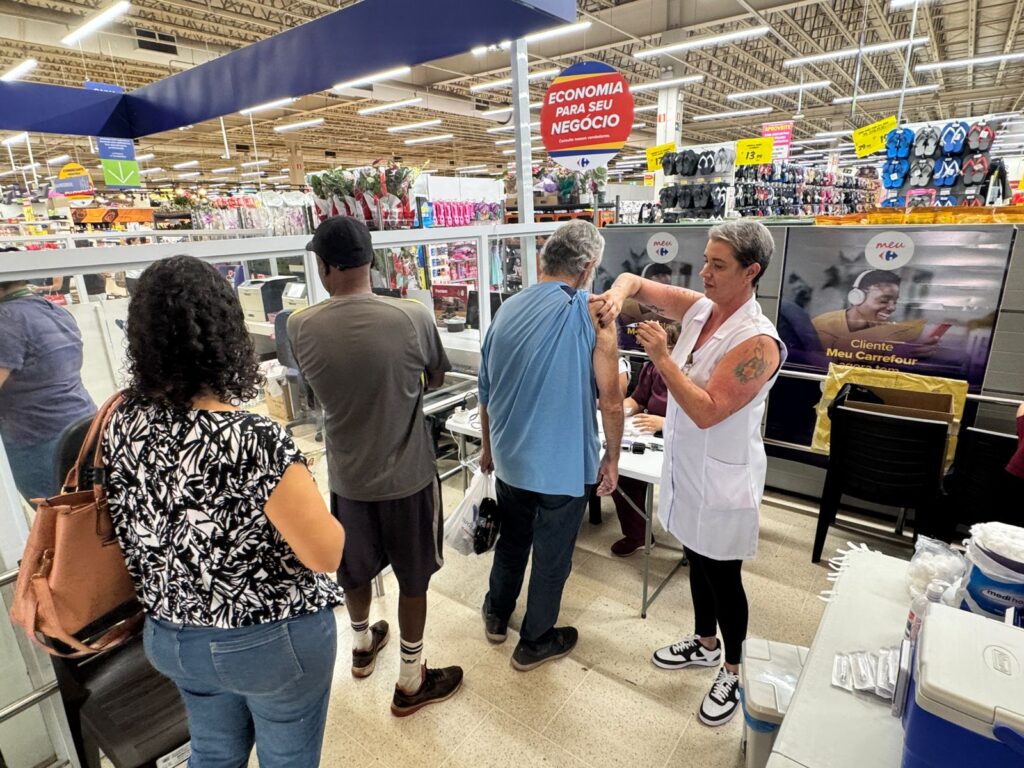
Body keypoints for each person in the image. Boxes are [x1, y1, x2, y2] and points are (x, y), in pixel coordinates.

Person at [103, 255, 345, 768]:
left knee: (213, 753)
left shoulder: (122, 419)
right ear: (224, 332)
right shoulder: (250, 437)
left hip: (172, 636)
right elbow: (325, 553)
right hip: (268, 641)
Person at [592, 219, 785, 727]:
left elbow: (706, 410)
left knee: (724, 574)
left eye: (718, 265)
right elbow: (636, 284)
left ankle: (733, 668)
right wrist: (616, 295)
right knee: (696, 557)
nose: (705, 273)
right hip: (688, 469)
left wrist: (661, 357)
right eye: (705, 261)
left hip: (724, 478)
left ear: (751, 271)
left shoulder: (758, 342)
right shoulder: (702, 310)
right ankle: (704, 642)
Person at [288, 216, 462, 717]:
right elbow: (435, 375)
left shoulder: (300, 325)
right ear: (371, 261)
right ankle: (410, 679)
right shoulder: (413, 317)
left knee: (355, 570)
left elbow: (313, 389)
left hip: (349, 481)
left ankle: (362, 646)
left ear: (325, 267)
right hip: (409, 478)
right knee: (414, 578)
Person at [478, 220, 623, 671]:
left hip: (510, 458)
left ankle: (496, 614)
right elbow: (611, 400)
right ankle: (536, 640)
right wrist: (612, 457)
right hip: (562, 467)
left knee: (512, 540)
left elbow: (485, 390)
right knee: (552, 556)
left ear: (545, 258)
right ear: (588, 267)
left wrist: (487, 448)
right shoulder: (591, 313)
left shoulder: (507, 309)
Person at [0, 247, 96, 502]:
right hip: (84, 422)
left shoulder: (5, 320)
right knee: (89, 508)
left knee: (57, 515)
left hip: (38, 439)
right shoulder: (54, 310)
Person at [610, 323, 680, 557]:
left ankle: (692, 546)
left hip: (683, 441)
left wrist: (665, 423)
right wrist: (621, 410)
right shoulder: (652, 368)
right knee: (622, 475)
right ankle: (637, 534)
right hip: (649, 437)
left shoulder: (693, 372)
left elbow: (701, 417)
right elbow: (638, 399)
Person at [811, 269, 926, 351]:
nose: (892, 308)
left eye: (895, 302)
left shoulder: (883, 327)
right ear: (857, 297)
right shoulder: (823, 326)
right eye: (884, 301)